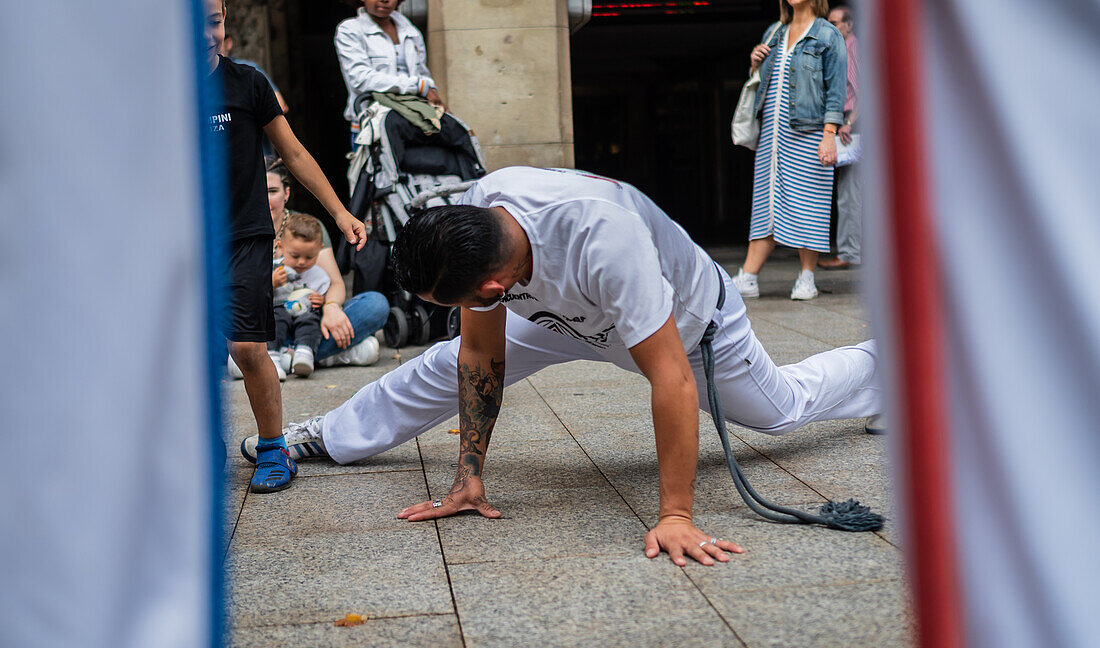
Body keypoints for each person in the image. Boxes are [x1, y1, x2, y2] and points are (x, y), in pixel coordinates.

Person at [242, 167, 881, 566]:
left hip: (683, 328)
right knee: (444, 362)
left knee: (779, 411)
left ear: (489, 289)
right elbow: (480, 354)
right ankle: (326, 436)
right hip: (558, 311)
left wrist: (676, 515)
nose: (458, 310)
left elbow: (671, 379)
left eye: (458, 301)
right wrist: (470, 476)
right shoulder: (485, 205)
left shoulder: (606, 241)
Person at [203, 0, 368, 493]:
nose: (207, 33)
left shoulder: (248, 85)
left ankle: (274, 448)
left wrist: (339, 212)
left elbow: (293, 153)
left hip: (243, 237)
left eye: (215, 21)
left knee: (248, 347)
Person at [731, 0, 847, 301]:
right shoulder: (775, 32)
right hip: (773, 133)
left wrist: (829, 133)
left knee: (810, 204)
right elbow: (767, 82)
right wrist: (756, 63)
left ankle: (807, 277)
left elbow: (836, 89)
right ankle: (748, 276)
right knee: (766, 204)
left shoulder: (827, 34)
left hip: (809, 133)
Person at [263, 156, 385, 368]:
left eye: (272, 191)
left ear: (287, 193)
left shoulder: (307, 227)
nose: (264, 199)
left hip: (309, 319)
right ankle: (327, 355)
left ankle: (278, 358)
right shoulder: (236, 232)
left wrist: (330, 307)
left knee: (375, 305)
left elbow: (335, 283)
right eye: (257, 191)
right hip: (264, 325)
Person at [334, 0, 444, 148]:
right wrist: (418, 86)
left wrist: (431, 91)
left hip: (412, 123)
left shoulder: (410, 31)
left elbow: (422, 73)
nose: (385, 0)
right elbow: (361, 79)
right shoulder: (350, 29)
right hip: (372, 128)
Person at [819, 4, 862, 271]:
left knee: (849, 193)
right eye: (829, 23)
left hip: (853, 128)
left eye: (836, 23)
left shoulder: (852, 49)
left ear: (849, 25)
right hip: (849, 126)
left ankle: (849, 253)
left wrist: (848, 122)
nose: (831, 28)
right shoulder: (840, 49)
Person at [271, 214, 331, 377]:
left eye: (310, 257)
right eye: (295, 256)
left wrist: (322, 301)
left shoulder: (321, 276)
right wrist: (271, 283)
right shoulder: (273, 269)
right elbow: (255, 298)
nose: (302, 262)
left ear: (320, 249)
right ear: (281, 247)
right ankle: (272, 357)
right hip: (277, 323)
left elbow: (322, 306)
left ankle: (304, 353)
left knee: (311, 319)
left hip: (303, 324)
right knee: (275, 316)